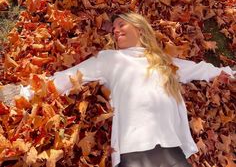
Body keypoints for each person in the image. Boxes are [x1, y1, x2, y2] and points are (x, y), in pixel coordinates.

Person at [4, 12, 236, 167]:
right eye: (113, 28)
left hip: (172, 150)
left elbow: (201, 70)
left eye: (121, 25)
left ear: (141, 29)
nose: (115, 31)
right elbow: (67, 78)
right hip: (135, 151)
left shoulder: (164, 61)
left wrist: (229, 74)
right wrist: (22, 93)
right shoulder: (109, 59)